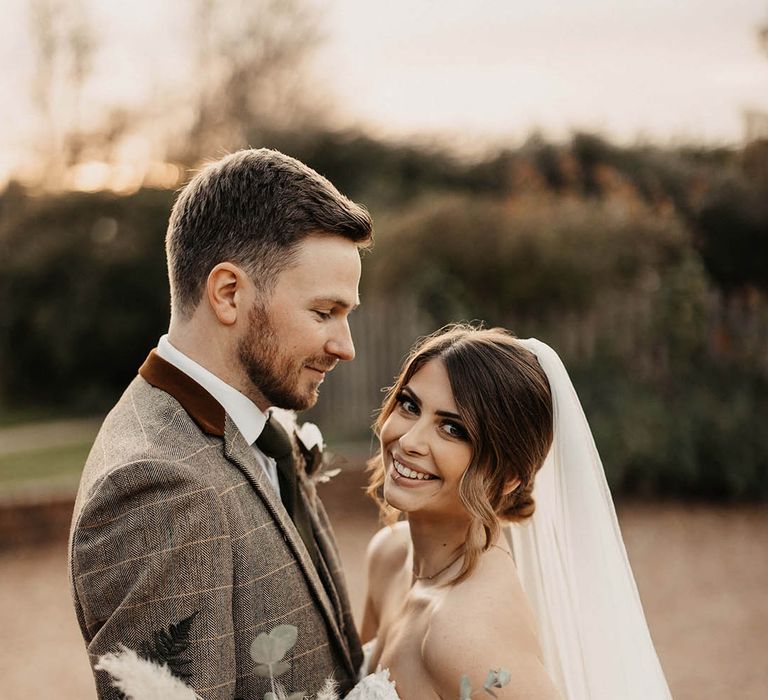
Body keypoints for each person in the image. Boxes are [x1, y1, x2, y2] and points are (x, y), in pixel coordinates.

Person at [68, 148, 372, 699]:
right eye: (324, 312)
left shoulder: (260, 432)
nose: (344, 346)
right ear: (229, 294)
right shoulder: (159, 488)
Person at [358, 325, 672, 700]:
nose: (408, 441)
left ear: (508, 477)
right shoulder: (388, 555)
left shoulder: (464, 633)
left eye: (453, 429)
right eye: (410, 406)